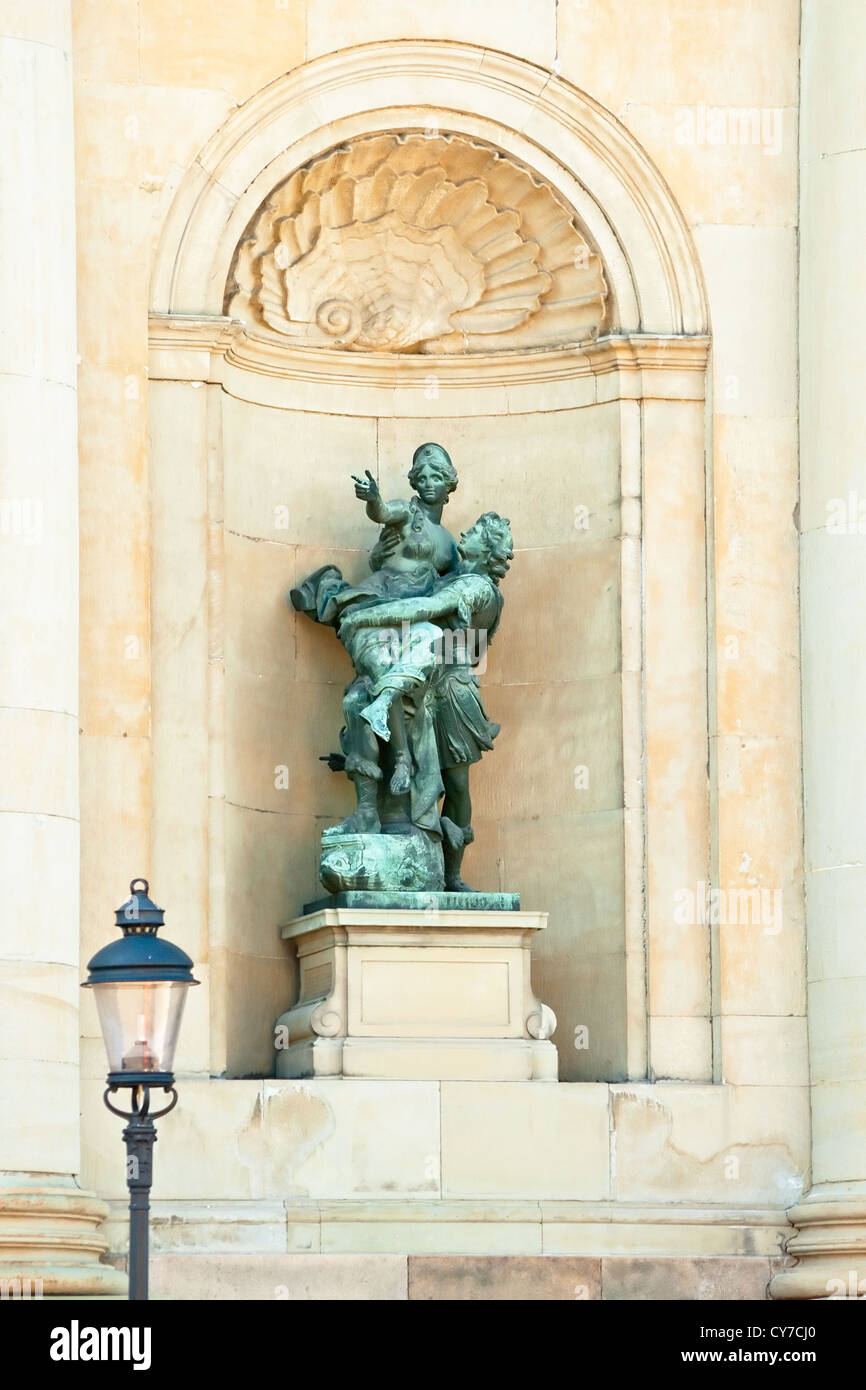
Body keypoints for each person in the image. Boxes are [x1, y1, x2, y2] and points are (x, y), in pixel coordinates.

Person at [337, 512, 513, 886]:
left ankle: (452, 874)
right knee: (434, 776)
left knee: (457, 784)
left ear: (488, 550)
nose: (466, 531)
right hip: (428, 681)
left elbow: (421, 610)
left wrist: (360, 619)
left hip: (452, 691)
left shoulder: (476, 587)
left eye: (478, 531)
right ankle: (434, 860)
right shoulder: (453, 579)